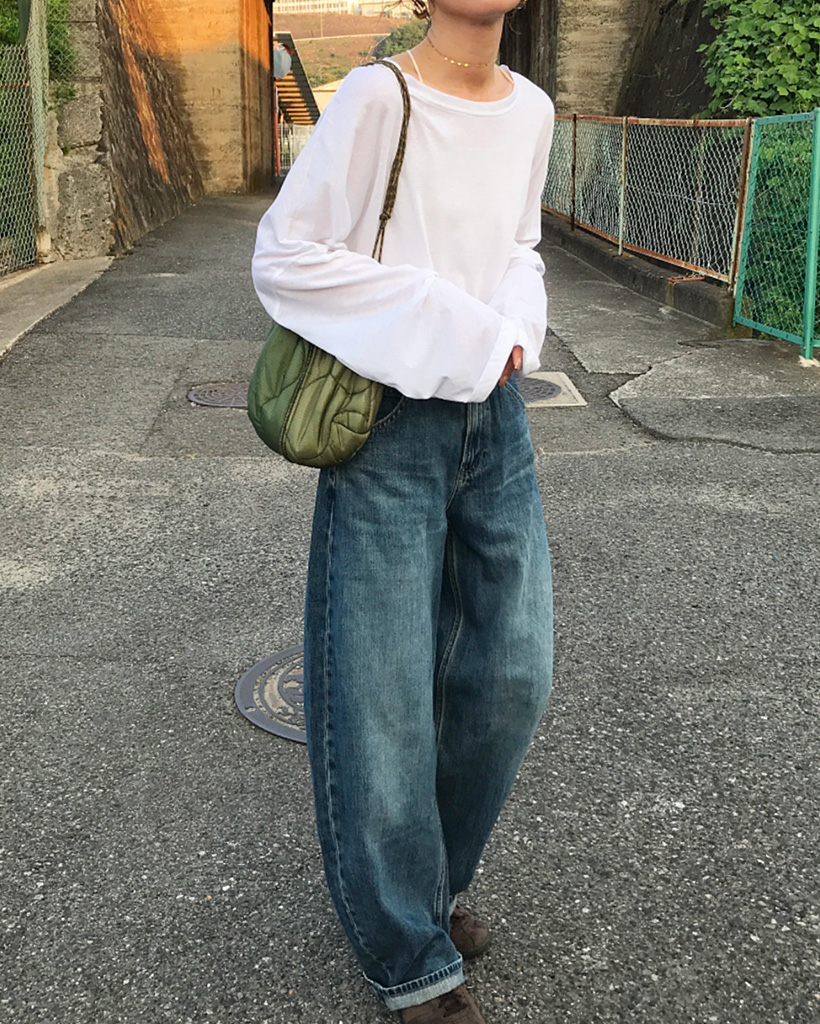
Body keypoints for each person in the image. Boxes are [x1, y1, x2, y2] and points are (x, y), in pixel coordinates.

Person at [252, 1, 555, 1021]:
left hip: (494, 416)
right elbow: (286, 254)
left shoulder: (531, 111)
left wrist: (513, 334)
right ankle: (407, 950)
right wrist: (460, 327)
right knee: (378, 695)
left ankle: (427, 887)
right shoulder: (379, 96)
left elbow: (520, 245)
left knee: (512, 671)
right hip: (384, 416)